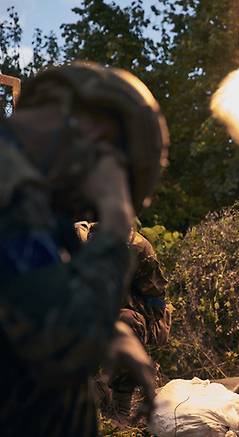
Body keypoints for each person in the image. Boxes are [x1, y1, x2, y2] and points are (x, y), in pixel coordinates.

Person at [0, 62, 169, 436]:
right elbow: (65, 340)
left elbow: (36, 295)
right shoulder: (13, 192)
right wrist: (114, 217)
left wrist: (110, 329)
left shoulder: (30, 191)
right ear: (95, 138)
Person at [76, 221, 172, 417]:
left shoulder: (138, 248)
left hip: (124, 314)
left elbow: (155, 297)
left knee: (126, 322)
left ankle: (121, 402)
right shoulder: (73, 242)